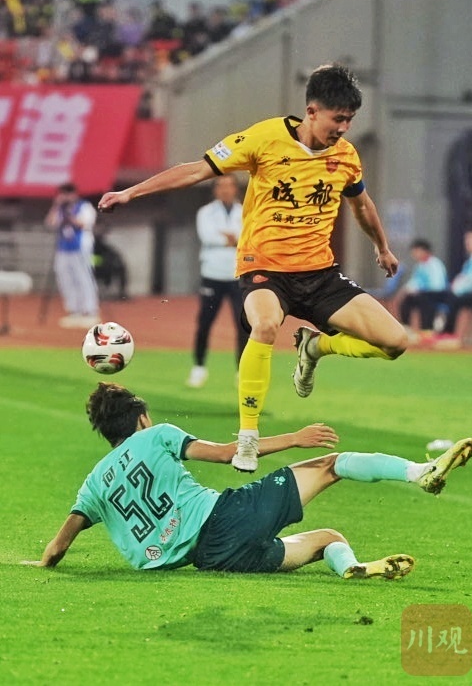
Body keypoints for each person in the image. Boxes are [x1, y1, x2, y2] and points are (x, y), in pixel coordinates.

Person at [97, 63, 408, 473]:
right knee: (263, 326)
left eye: (350, 119)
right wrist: (132, 192)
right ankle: (247, 437)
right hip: (265, 269)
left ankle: (316, 346)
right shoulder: (264, 139)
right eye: (338, 119)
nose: (344, 128)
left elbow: (361, 205)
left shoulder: (346, 157)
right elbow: (197, 169)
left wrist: (382, 247)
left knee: (395, 341)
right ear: (312, 111)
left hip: (320, 274)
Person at [22, 382, 472, 578]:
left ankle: (350, 567)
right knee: (332, 464)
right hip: (226, 518)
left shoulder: (94, 483)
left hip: (211, 558)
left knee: (327, 540)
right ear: (141, 418)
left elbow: (58, 546)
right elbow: (227, 454)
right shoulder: (155, 435)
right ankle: (421, 472)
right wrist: (294, 438)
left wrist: (42, 565)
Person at [187, 174, 249, 388]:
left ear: (235, 189)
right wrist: (234, 239)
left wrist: (230, 238)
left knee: (243, 325)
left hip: (237, 275)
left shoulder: (245, 211)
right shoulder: (205, 212)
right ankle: (199, 367)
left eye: (229, 186)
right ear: (215, 190)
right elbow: (207, 236)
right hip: (212, 274)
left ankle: (242, 371)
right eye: (221, 186)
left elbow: (248, 238)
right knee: (205, 322)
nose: (225, 190)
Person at [45, 182, 100, 329]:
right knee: (65, 278)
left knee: (83, 277)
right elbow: (50, 223)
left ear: (74, 194)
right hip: (63, 248)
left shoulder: (84, 207)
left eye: (67, 193)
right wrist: (56, 206)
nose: (65, 197)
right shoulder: (59, 209)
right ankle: (73, 309)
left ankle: (89, 309)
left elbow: (83, 223)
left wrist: (69, 215)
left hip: (80, 247)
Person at [436, 229, 472, 347]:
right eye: (466, 240)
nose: (468, 242)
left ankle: (454, 335)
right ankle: (448, 333)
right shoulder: (471, 260)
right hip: (468, 293)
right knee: (451, 297)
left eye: (471, 239)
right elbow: (463, 279)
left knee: (461, 300)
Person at [398, 239, 448, 344]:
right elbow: (414, 283)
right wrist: (407, 290)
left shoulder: (435, 264)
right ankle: (407, 328)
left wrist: (419, 290)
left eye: (416, 251)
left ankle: (427, 331)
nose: (414, 254)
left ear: (424, 251)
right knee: (407, 299)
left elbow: (436, 286)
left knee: (425, 299)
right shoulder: (419, 266)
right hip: (423, 295)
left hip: (437, 295)